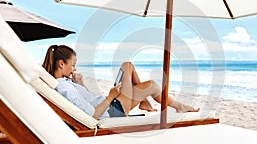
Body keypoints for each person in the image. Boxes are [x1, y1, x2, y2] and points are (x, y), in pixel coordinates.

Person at [42, 45, 199, 119]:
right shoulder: (65, 88)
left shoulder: (64, 83)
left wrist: (81, 84)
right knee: (149, 83)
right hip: (112, 111)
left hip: (110, 104)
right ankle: (179, 106)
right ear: (61, 64)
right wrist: (110, 97)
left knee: (131, 69)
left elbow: (86, 100)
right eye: (73, 65)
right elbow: (92, 115)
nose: (74, 69)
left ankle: (146, 102)